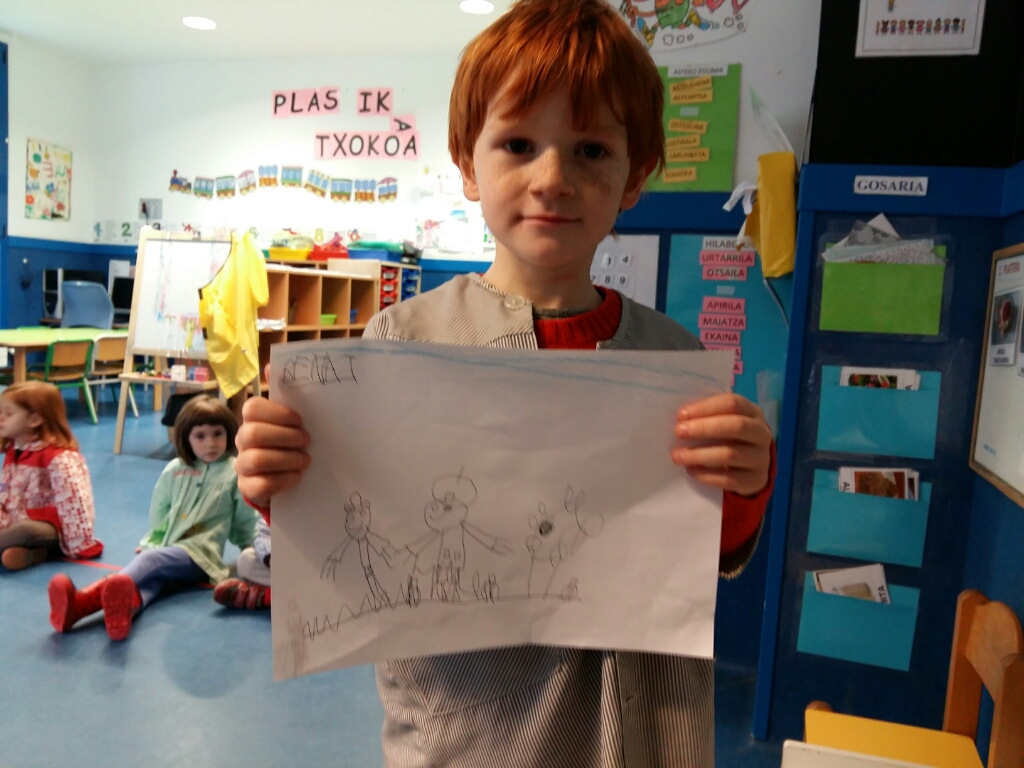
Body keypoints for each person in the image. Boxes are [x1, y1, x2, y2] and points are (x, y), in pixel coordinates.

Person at [234, 1, 775, 765]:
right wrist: (280, 478)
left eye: (591, 150)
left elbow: (703, 545)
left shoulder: (672, 360)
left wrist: (744, 484)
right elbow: (353, 525)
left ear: (634, 178)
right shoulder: (400, 345)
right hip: (475, 734)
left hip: (644, 730)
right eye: (518, 145)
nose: (553, 179)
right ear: (467, 164)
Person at [48, 395, 259, 640]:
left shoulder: (234, 472)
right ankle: (100, 612)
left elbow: (245, 518)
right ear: (186, 438)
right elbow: (160, 511)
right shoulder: (175, 469)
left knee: (150, 561)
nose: (210, 443)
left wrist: (254, 551)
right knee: (151, 585)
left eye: (217, 434)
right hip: (170, 548)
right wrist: (154, 540)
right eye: (200, 436)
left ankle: (84, 598)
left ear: (230, 434)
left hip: (201, 556)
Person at [0, 382, 102, 571]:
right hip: (16, 518)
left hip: (50, 528)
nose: (1, 418)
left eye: (9, 414)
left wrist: (78, 543)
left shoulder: (58, 458)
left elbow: (75, 503)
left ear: (35, 420)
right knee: (15, 536)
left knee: (25, 530)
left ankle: (33, 547)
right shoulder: (14, 449)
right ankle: (34, 554)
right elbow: (6, 493)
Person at [212, 516, 271, 609]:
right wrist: (269, 557)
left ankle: (266, 597)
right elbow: (263, 536)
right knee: (246, 559)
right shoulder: (277, 508)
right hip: (282, 565)